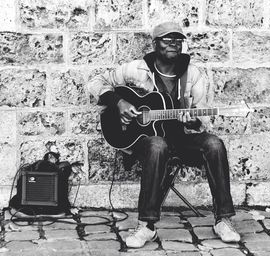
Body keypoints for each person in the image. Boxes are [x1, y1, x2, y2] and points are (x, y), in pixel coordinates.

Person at [87, 21, 241, 248]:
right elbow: (95, 82)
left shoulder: (194, 75)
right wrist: (118, 102)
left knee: (214, 144)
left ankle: (223, 220)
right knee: (158, 144)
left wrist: (194, 119)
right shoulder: (136, 69)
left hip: (181, 140)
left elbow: (203, 120)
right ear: (155, 44)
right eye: (168, 40)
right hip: (145, 143)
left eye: (178, 41)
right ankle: (146, 226)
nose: (174, 45)